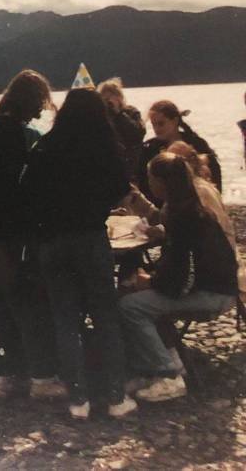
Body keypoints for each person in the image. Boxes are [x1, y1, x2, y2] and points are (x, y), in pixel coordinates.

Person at [22, 88, 137, 419]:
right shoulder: (105, 148)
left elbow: (27, 198)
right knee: (105, 314)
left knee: (65, 318)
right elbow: (120, 191)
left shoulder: (43, 147)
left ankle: (78, 399)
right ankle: (115, 396)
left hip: (53, 242)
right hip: (90, 238)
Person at [0, 70, 65, 400]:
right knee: (28, 303)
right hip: (11, 235)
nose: (41, 111)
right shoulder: (11, 133)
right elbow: (15, 189)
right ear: (29, 101)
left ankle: (6, 376)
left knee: (2, 305)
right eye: (40, 103)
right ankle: (42, 377)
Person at [119, 153, 238, 401]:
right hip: (211, 285)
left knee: (130, 306)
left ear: (162, 183)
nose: (149, 183)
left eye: (151, 178)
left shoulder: (185, 216)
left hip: (213, 292)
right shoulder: (184, 206)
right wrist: (152, 279)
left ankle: (168, 376)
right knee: (139, 295)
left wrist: (150, 282)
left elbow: (184, 278)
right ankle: (162, 362)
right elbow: (181, 268)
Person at [136, 100, 222, 205]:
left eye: (161, 123)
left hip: (198, 201)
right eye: (154, 124)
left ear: (175, 120)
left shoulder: (195, 143)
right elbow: (143, 182)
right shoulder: (149, 149)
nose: (157, 129)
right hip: (162, 205)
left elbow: (214, 171)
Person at [97, 78, 145, 178]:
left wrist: (119, 113)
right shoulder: (100, 117)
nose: (108, 102)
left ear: (119, 98)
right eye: (104, 99)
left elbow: (138, 133)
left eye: (110, 97)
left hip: (130, 166)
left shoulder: (131, 112)